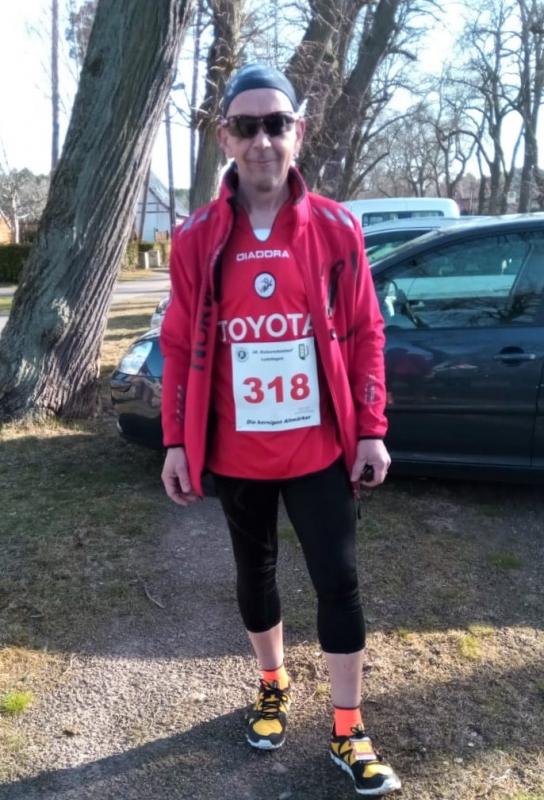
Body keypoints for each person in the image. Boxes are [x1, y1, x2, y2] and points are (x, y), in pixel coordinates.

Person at [160, 63, 401, 797]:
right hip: (238, 452)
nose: (262, 140)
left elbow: (366, 331)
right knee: (254, 575)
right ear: (225, 137)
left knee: (338, 579)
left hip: (319, 448)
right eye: (247, 126)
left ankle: (348, 727)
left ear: (298, 131)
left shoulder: (335, 227)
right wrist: (175, 441)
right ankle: (272, 685)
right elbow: (178, 342)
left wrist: (371, 428)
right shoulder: (196, 236)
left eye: (276, 124)